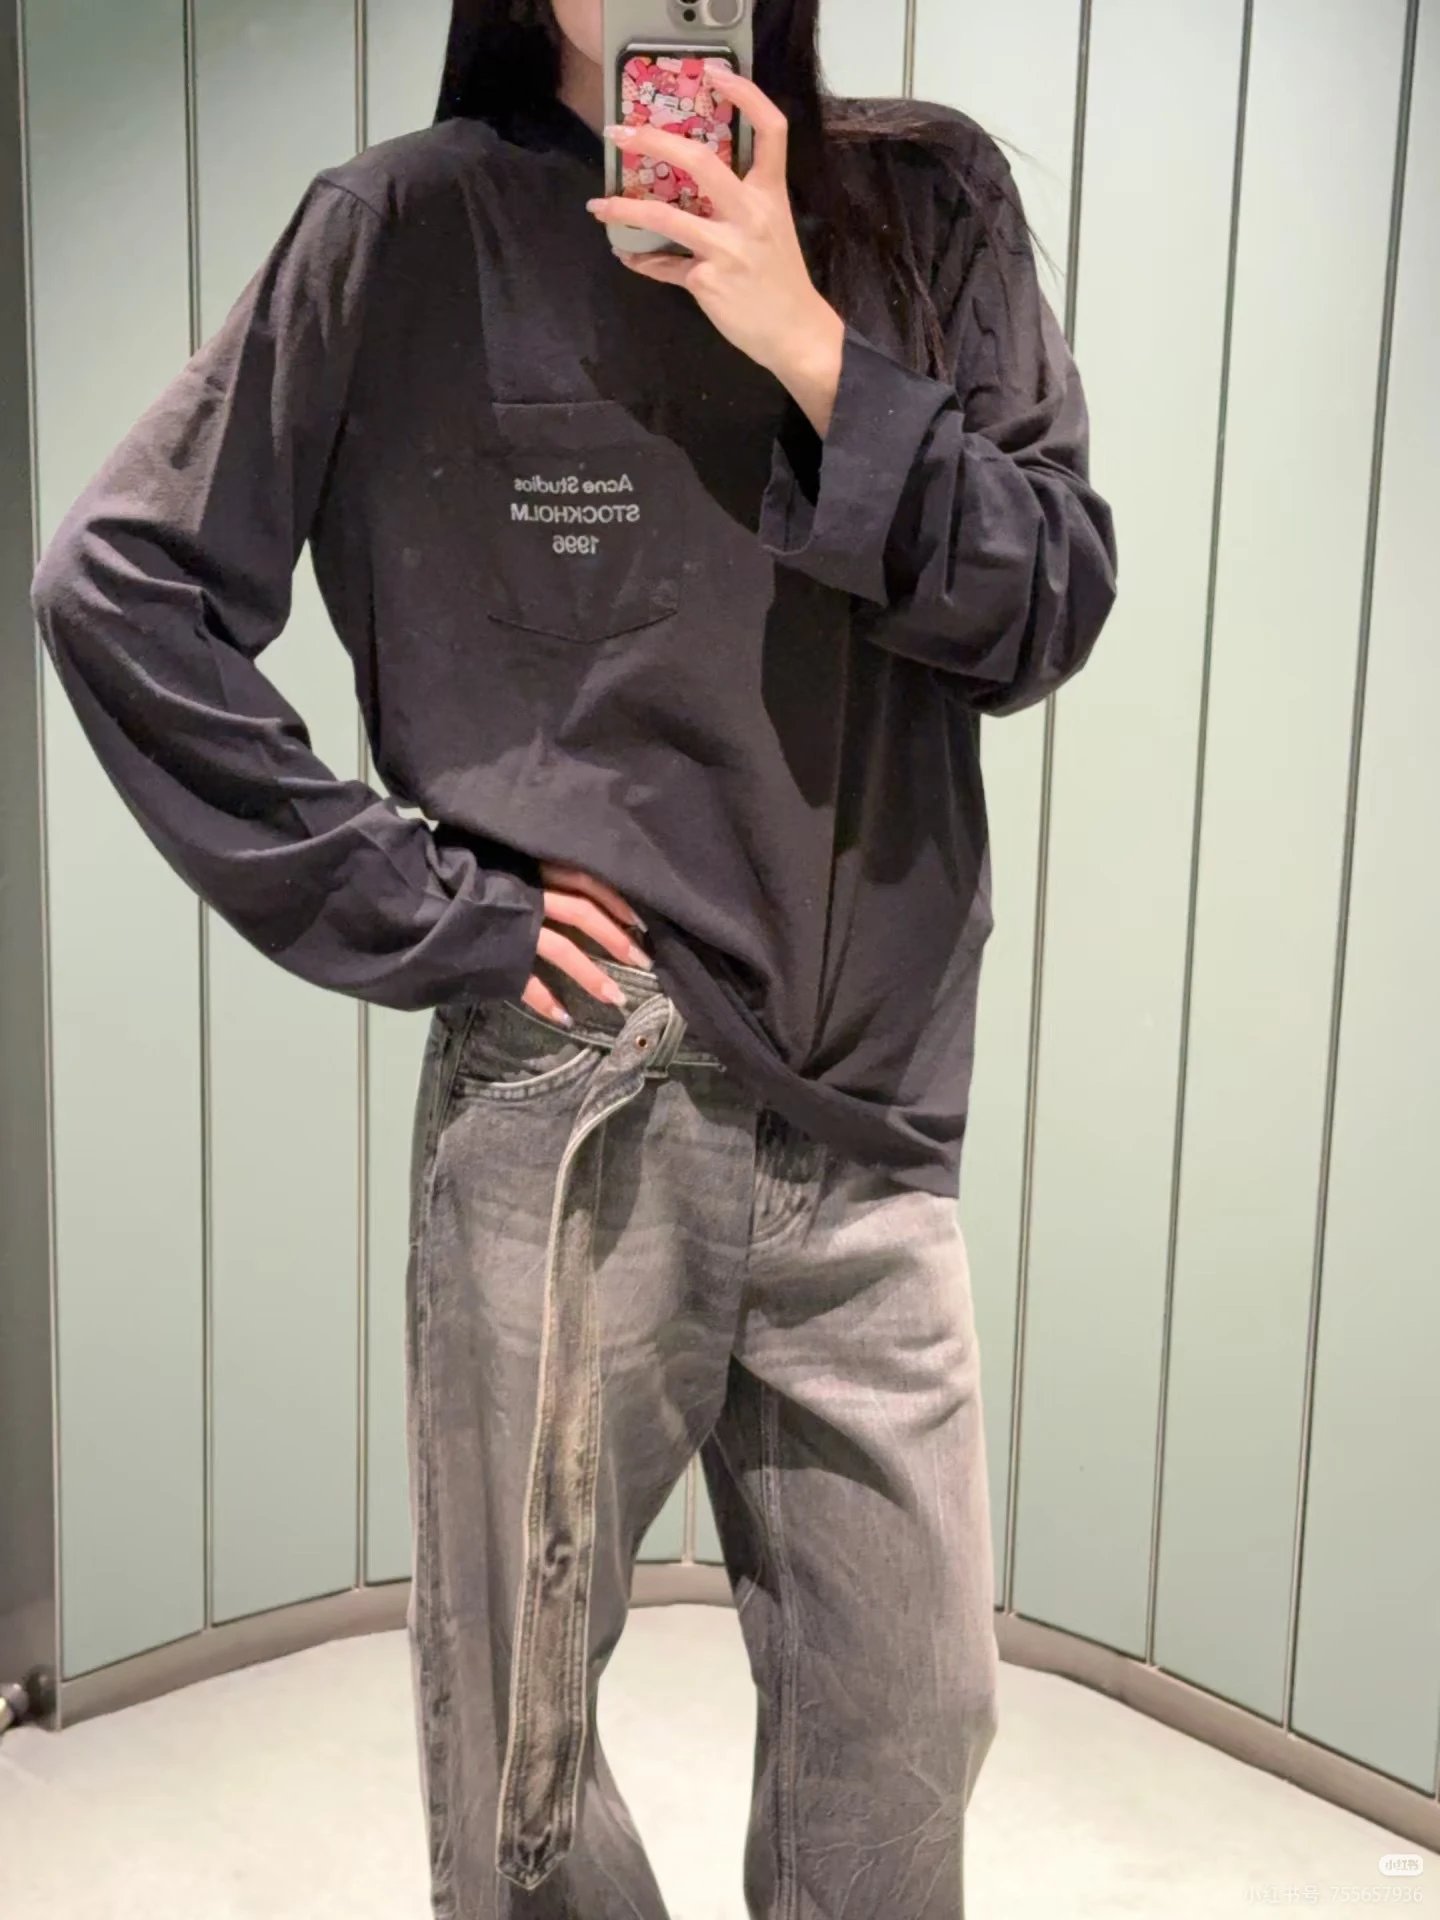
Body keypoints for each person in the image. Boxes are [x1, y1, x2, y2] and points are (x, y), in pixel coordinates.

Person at [29, 0, 1117, 1912]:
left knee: (908, 1750)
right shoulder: (405, 232)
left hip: (874, 1116)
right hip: (574, 1092)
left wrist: (805, 340)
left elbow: (1045, 601)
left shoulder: (926, 206)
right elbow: (121, 583)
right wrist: (425, 906)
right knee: (524, 1779)